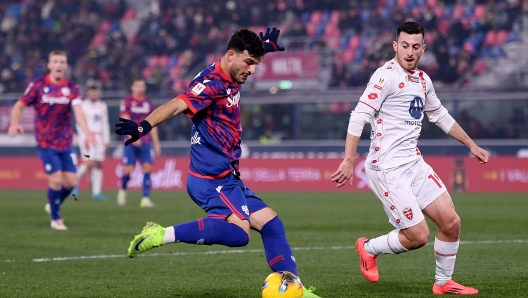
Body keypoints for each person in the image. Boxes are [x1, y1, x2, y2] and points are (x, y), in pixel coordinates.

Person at [115, 28, 320, 298]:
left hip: (227, 176)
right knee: (239, 234)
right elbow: (177, 105)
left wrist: (264, 48)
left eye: (256, 64)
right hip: (210, 179)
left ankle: (295, 288)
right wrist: (144, 125)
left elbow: (247, 58)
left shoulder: (233, 68)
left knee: (271, 224)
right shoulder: (211, 84)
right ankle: (162, 233)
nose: (253, 70)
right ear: (231, 55)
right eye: (249, 63)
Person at [331, 22, 488, 295]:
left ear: (423, 49)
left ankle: (443, 283)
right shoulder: (385, 76)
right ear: (395, 46)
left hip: (413, 163)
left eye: (416, 47)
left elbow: (439, 115)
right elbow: (359, 115)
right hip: (387, 167)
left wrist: (470, 144)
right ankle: (368, 248)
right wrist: (348, 159)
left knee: (451, 223)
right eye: (404, 45)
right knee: (418, 237)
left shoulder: (423, 80)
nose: (410, 52)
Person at [8, 50, 96, 231]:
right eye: (55, 61)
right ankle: (56, 218)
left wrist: (87, 132)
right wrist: (14, 123)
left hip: (65, 142)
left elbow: (79, 112)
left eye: (62, 62)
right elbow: (19, 105)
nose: (58, 65)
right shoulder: (38, 86)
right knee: (55, 180)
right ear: (49, 65)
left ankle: (52, 203)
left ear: (65, 66)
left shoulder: (72, 88)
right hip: (45, 142)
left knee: (71, 183)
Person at [117, 78, 161, 208]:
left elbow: (154, 124)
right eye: (137, 86)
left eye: (142, 86)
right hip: (130, 141)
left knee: (147, 167)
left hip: (146, 141)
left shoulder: (148, 103)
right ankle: (123, 191)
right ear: (132, 87)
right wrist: (132, 136)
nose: (140, 88)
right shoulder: (127, 102)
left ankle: (145, 198)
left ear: (145, 88)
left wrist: (157, 143)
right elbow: (124, 120)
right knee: (128, 169)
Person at [75, 81, 110, 201]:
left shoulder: (102, 106)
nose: (94, 93)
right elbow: (79, 123)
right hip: (87, 137)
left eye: (96, 90)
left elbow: (105, 123)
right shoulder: (83, 105)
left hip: (99, 137)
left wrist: (106, 140)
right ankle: (74, 184)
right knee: (88, 162)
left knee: (99, 164)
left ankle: (96, 193)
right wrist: (84, 137)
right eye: (92, 90)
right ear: (88, 92)